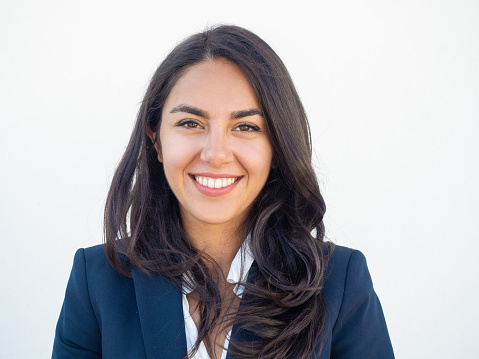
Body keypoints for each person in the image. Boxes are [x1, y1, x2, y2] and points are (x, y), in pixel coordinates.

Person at [52, 25, 394, 359]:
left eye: (245, 126)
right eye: (190, 123)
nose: (216, 153)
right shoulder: (96, 281)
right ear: (156, 139)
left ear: (276, 145)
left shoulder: (341, 283)